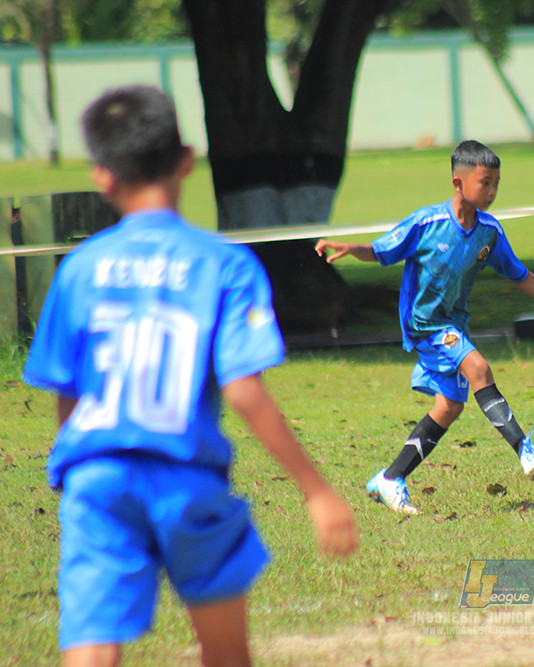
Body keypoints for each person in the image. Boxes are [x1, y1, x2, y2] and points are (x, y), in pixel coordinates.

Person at [22, 85, 359, 667]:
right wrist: (316, 489)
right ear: (186, 161)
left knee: (91, 648)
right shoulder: (223, 264)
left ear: (102, 176)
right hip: (184, 477)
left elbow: (66, 392)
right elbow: (243, 388)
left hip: (97, 476)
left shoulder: (79, 269)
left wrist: (72, 467)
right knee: (225, 653)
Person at [314, 140, 534, 515]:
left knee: (449, 407)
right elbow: (382, 250)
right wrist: (350, 248)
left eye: (496, 184)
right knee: (478, 368)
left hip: (454, 325)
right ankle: (525, 449)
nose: (492, 191)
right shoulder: (427, 223)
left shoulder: (489, 231)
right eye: (485, 183)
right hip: (426, 325)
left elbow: (518, 273)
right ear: (458, 183)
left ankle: (390, 478)